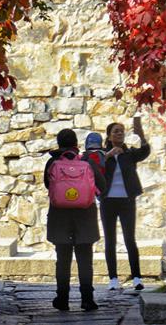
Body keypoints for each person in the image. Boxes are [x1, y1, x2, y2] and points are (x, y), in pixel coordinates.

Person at [44, 128, 108, 311]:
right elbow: (102, 186)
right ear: (76, 144)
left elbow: (48, 185)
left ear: (59, 144)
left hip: (60, 216)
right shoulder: (87, 161)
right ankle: (87, 299)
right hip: (85, 216)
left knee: (63, 259)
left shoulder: (53, 162)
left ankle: (62, 299)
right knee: (85, 259)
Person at [100, 119, 151, 291]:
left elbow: (145, 151)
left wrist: (141, 135)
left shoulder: (129, 154)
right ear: (108, 136)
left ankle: (136, 277)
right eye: (115, 131)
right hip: (108, 201)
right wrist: (108, 155)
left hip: (127, 201)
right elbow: (93, 165)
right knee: (110, 240)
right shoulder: (102, 154)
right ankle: (113, 278)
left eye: (121, 131)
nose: (119, 133)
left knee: (130, 239)